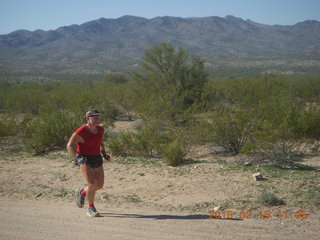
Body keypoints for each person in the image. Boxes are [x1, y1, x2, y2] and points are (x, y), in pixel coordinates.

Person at [67, 109, 110, 217]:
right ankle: (90, 208)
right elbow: (70, 145)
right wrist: (77, 157)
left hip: (96, 157)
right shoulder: (81, 131)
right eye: (94, 117)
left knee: (99, 185)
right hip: (84, 159)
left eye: (98, 117)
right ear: (88, 118)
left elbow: (100, 142)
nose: (97, 120)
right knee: (92, 184)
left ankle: (82, 192)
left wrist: (104, 153)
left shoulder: (100, 129)